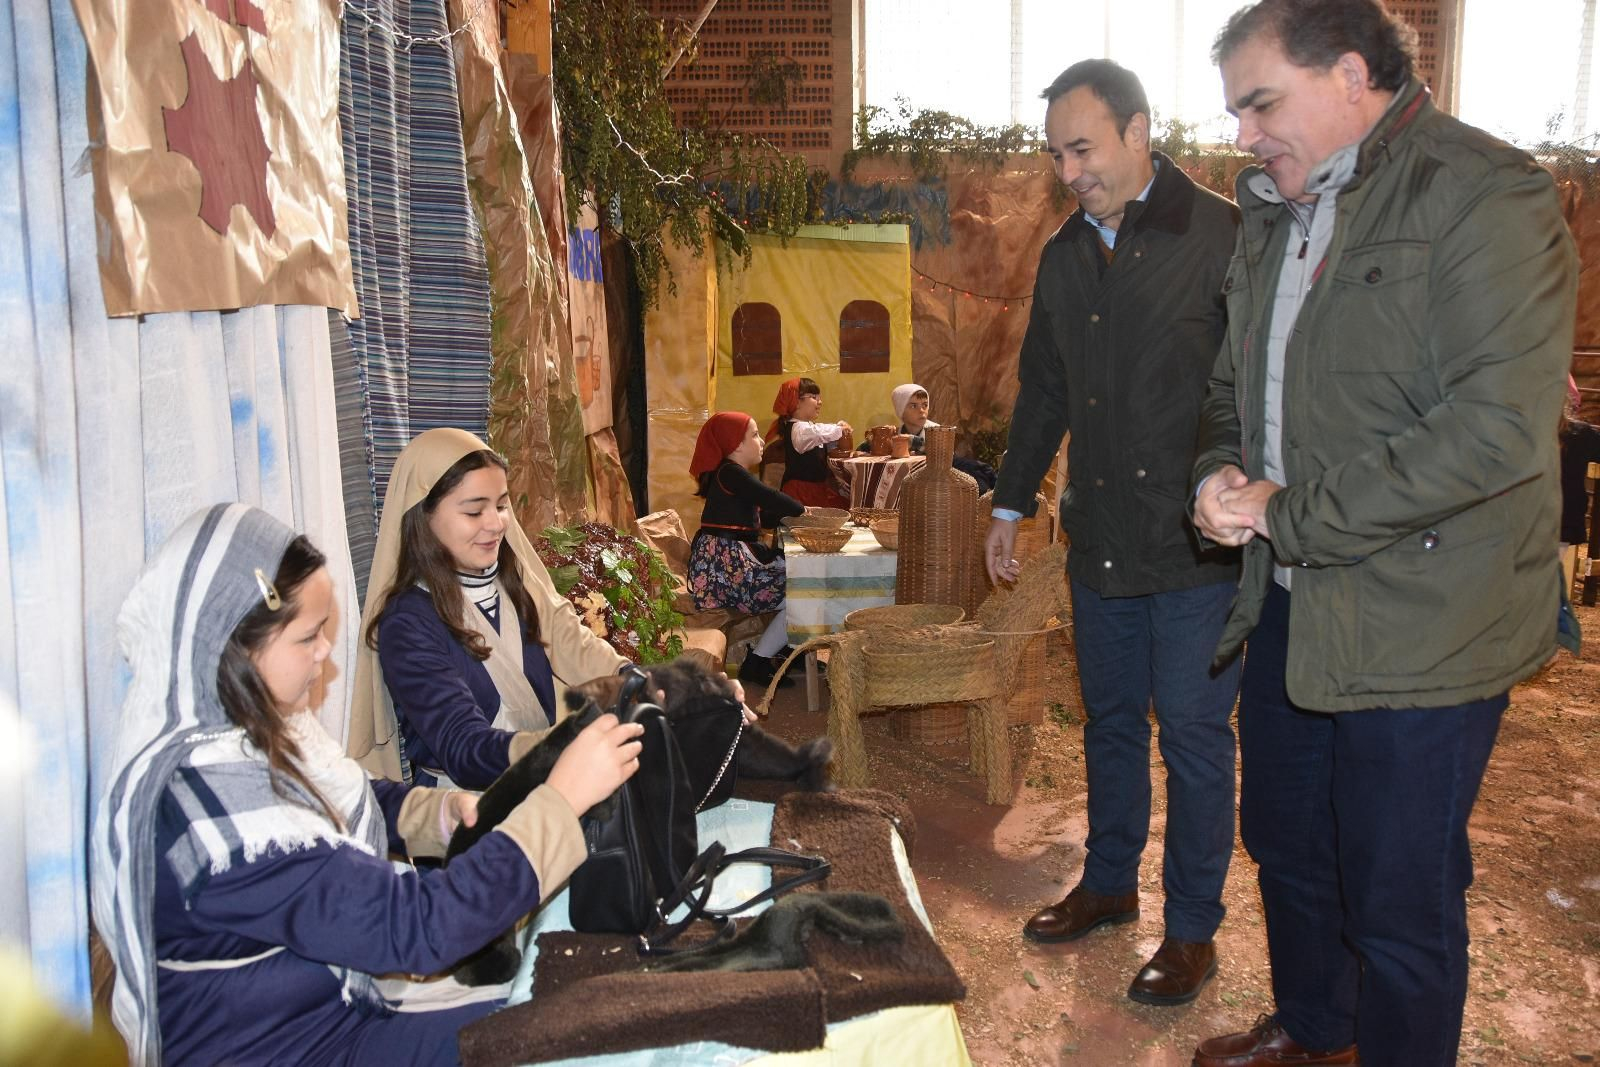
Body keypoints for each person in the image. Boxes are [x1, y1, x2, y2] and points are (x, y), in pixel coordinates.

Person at [1189, 3, 1579, 1064]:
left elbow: (1494, 429)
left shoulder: (1483, 193)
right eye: (1234, 111)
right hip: (1288, 596)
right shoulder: (1270, 209)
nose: (1241, 135)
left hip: (1426, 620)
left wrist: (1287, 512)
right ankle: (1319, 1025)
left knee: (1398, 891)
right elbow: (1234, 390)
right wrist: (1214, 473)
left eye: (1259, 102)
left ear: (1350, 72)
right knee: (1286, 842)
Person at [91, 503, 643, 1067]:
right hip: (289, 1048)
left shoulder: (247, 739)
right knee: (572, 1027)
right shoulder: (219, 820)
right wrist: (560, 799)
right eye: (308, 638)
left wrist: (442, 812)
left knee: (583, 1003)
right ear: (236, 651)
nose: (326, 654)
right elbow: (421, 927)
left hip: (326, 1009)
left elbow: (346, 795)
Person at [983, 59, 1243, 1007]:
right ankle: (1107, 882)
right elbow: (1044, 389)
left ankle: (1192, 929)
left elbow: (1251, 385)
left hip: (1194, 549)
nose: (1068, 170)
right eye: (1057, 154)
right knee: (1108, 727)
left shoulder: (1219, 233)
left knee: (1196, 738)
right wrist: (1010, 503)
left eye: (1083, 148)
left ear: (1141, 131)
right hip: (1098, 540)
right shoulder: (1062, 254)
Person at [352, 427, 631, 789]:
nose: (496, 523)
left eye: (501, 506)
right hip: (465, 818)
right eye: (473, 511)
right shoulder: (407, 624)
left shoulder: (514, 582)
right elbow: (464, 748)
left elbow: (568, 639)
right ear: (423, 516)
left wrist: (643, 684)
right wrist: (569, 747)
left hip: (545, 788)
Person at [688, 411, 804, 688]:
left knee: (801, 583)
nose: (762, 440)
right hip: (728, 570)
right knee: (805, 590)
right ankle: (761, 660)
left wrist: (785, 518)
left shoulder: (730, 475)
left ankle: (787, 649)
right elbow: (770, 497)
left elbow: (752, 520)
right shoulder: (730, 472)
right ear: (735, 445)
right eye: (754, 434)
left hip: (730, 562)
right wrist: (802, 511)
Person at [864, 383, 997, 492]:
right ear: (901, 411)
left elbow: (945, 456)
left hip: (938, 479)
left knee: (978, 470)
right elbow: (869, 448)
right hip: (913, 482)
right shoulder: (896, 433)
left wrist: (913, 442)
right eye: (913, 406)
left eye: (924, 405)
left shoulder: (936, 430)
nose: (921, 410)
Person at [767, 376, 851, 509]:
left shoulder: (809, 427)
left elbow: (821, 439)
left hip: (817, 489)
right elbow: (818, 432)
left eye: (819, 397)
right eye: (814, 397)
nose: (820, 402)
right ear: (796, 401)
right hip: (801, 492)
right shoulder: (798, 428)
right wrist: (840, 429)